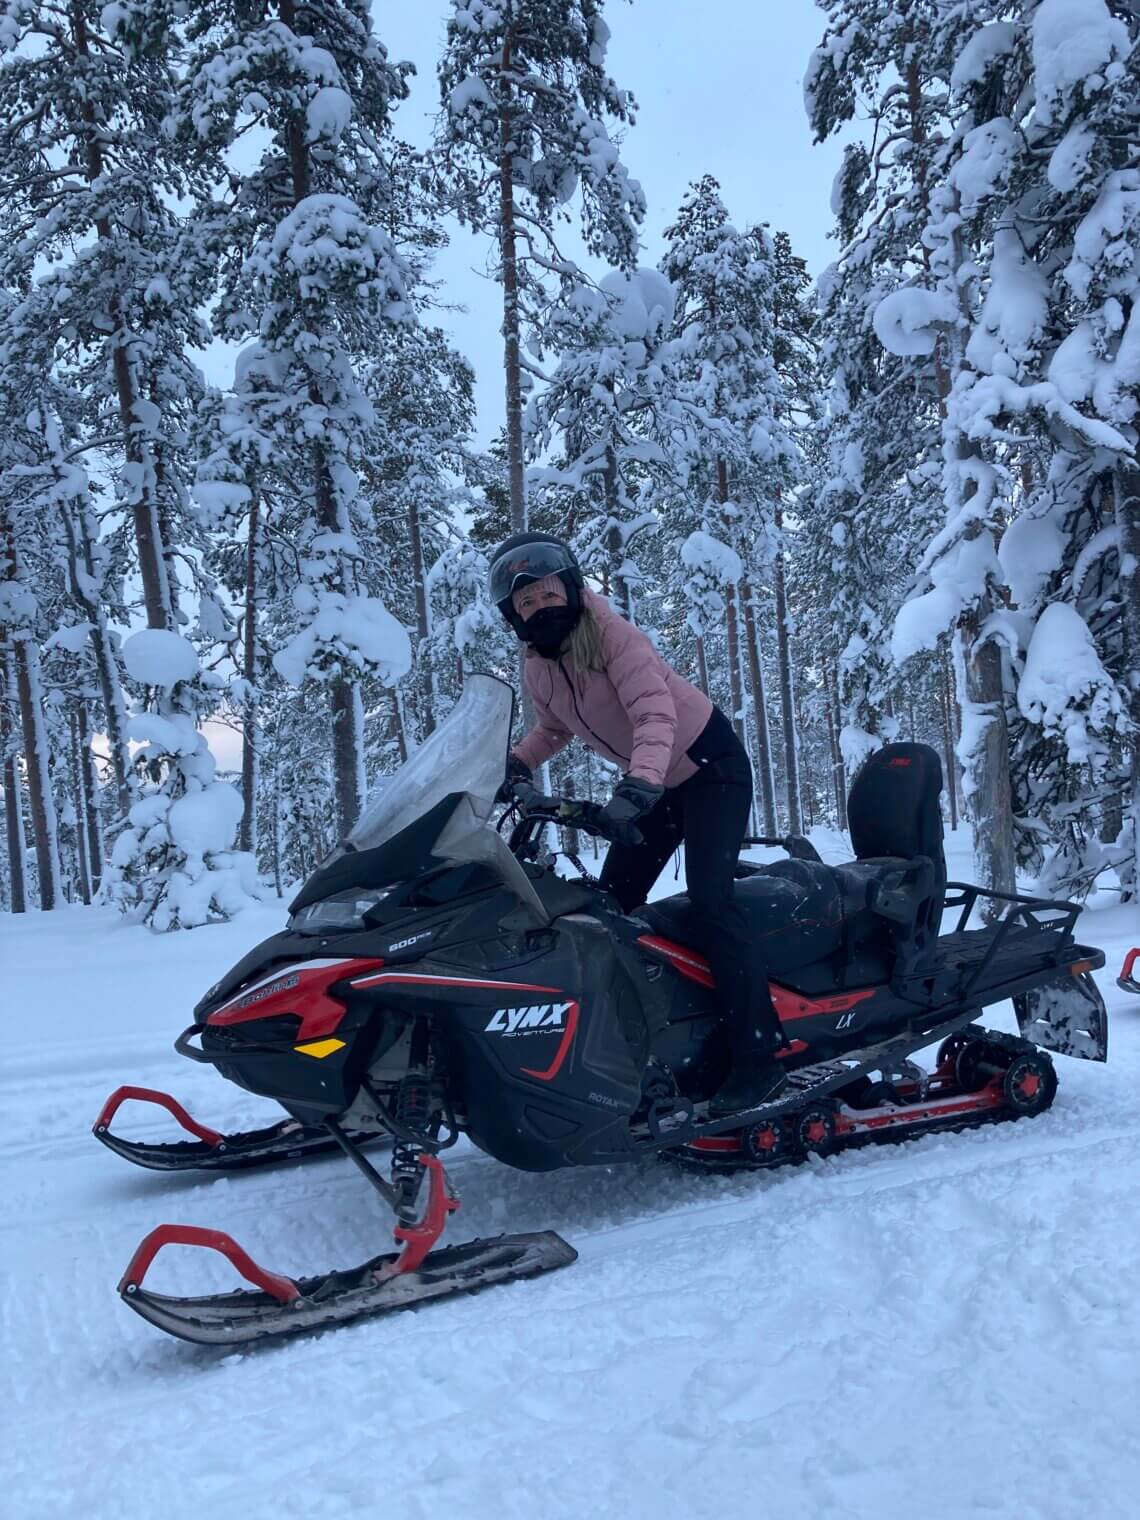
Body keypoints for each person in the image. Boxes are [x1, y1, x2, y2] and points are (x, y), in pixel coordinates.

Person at [487, 530, 786, 1116]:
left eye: (547, 595)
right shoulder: (538, 667)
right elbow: (555, 729)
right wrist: (515, 762)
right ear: (512, 616)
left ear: (570, 591)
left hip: (707, 767)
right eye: (525, 604)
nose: (538, 609)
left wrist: (641, 784)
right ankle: (648, 1041)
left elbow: (655, 713)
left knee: (710, 901)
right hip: (656, 780)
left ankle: (759, 1059)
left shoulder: (616, 637)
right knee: (612, 905)